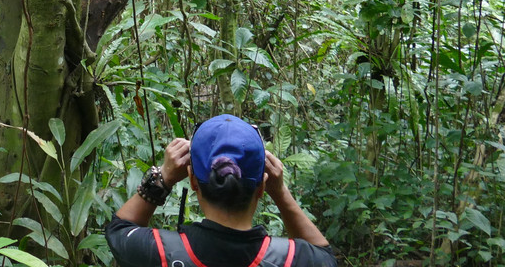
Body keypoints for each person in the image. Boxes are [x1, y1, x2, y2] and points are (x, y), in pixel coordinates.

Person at [105, 114, 336, 267]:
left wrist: (164, 177)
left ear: (193, 181)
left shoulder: (161, 253)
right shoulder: (289, 259)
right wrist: (281, 192)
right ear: (261, 187)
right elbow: (324, 256)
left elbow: (119, 230)